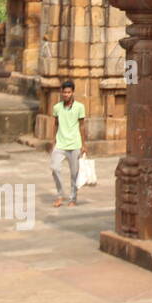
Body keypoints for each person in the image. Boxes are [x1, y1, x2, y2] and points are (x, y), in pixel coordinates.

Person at [50, 80, 87, 208]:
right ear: (61, 93)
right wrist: (53, 141)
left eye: (68, 92)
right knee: (55, 168)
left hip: (75, 144)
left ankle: (73, 198)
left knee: (74, 174)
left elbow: (82, 126)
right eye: (64, 92)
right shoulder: (57, 107)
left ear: (73, 93)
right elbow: (55, 124)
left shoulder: (80, 107)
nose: (66, 94)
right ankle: (60, 195)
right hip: (60, 144)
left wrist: (84, 144)